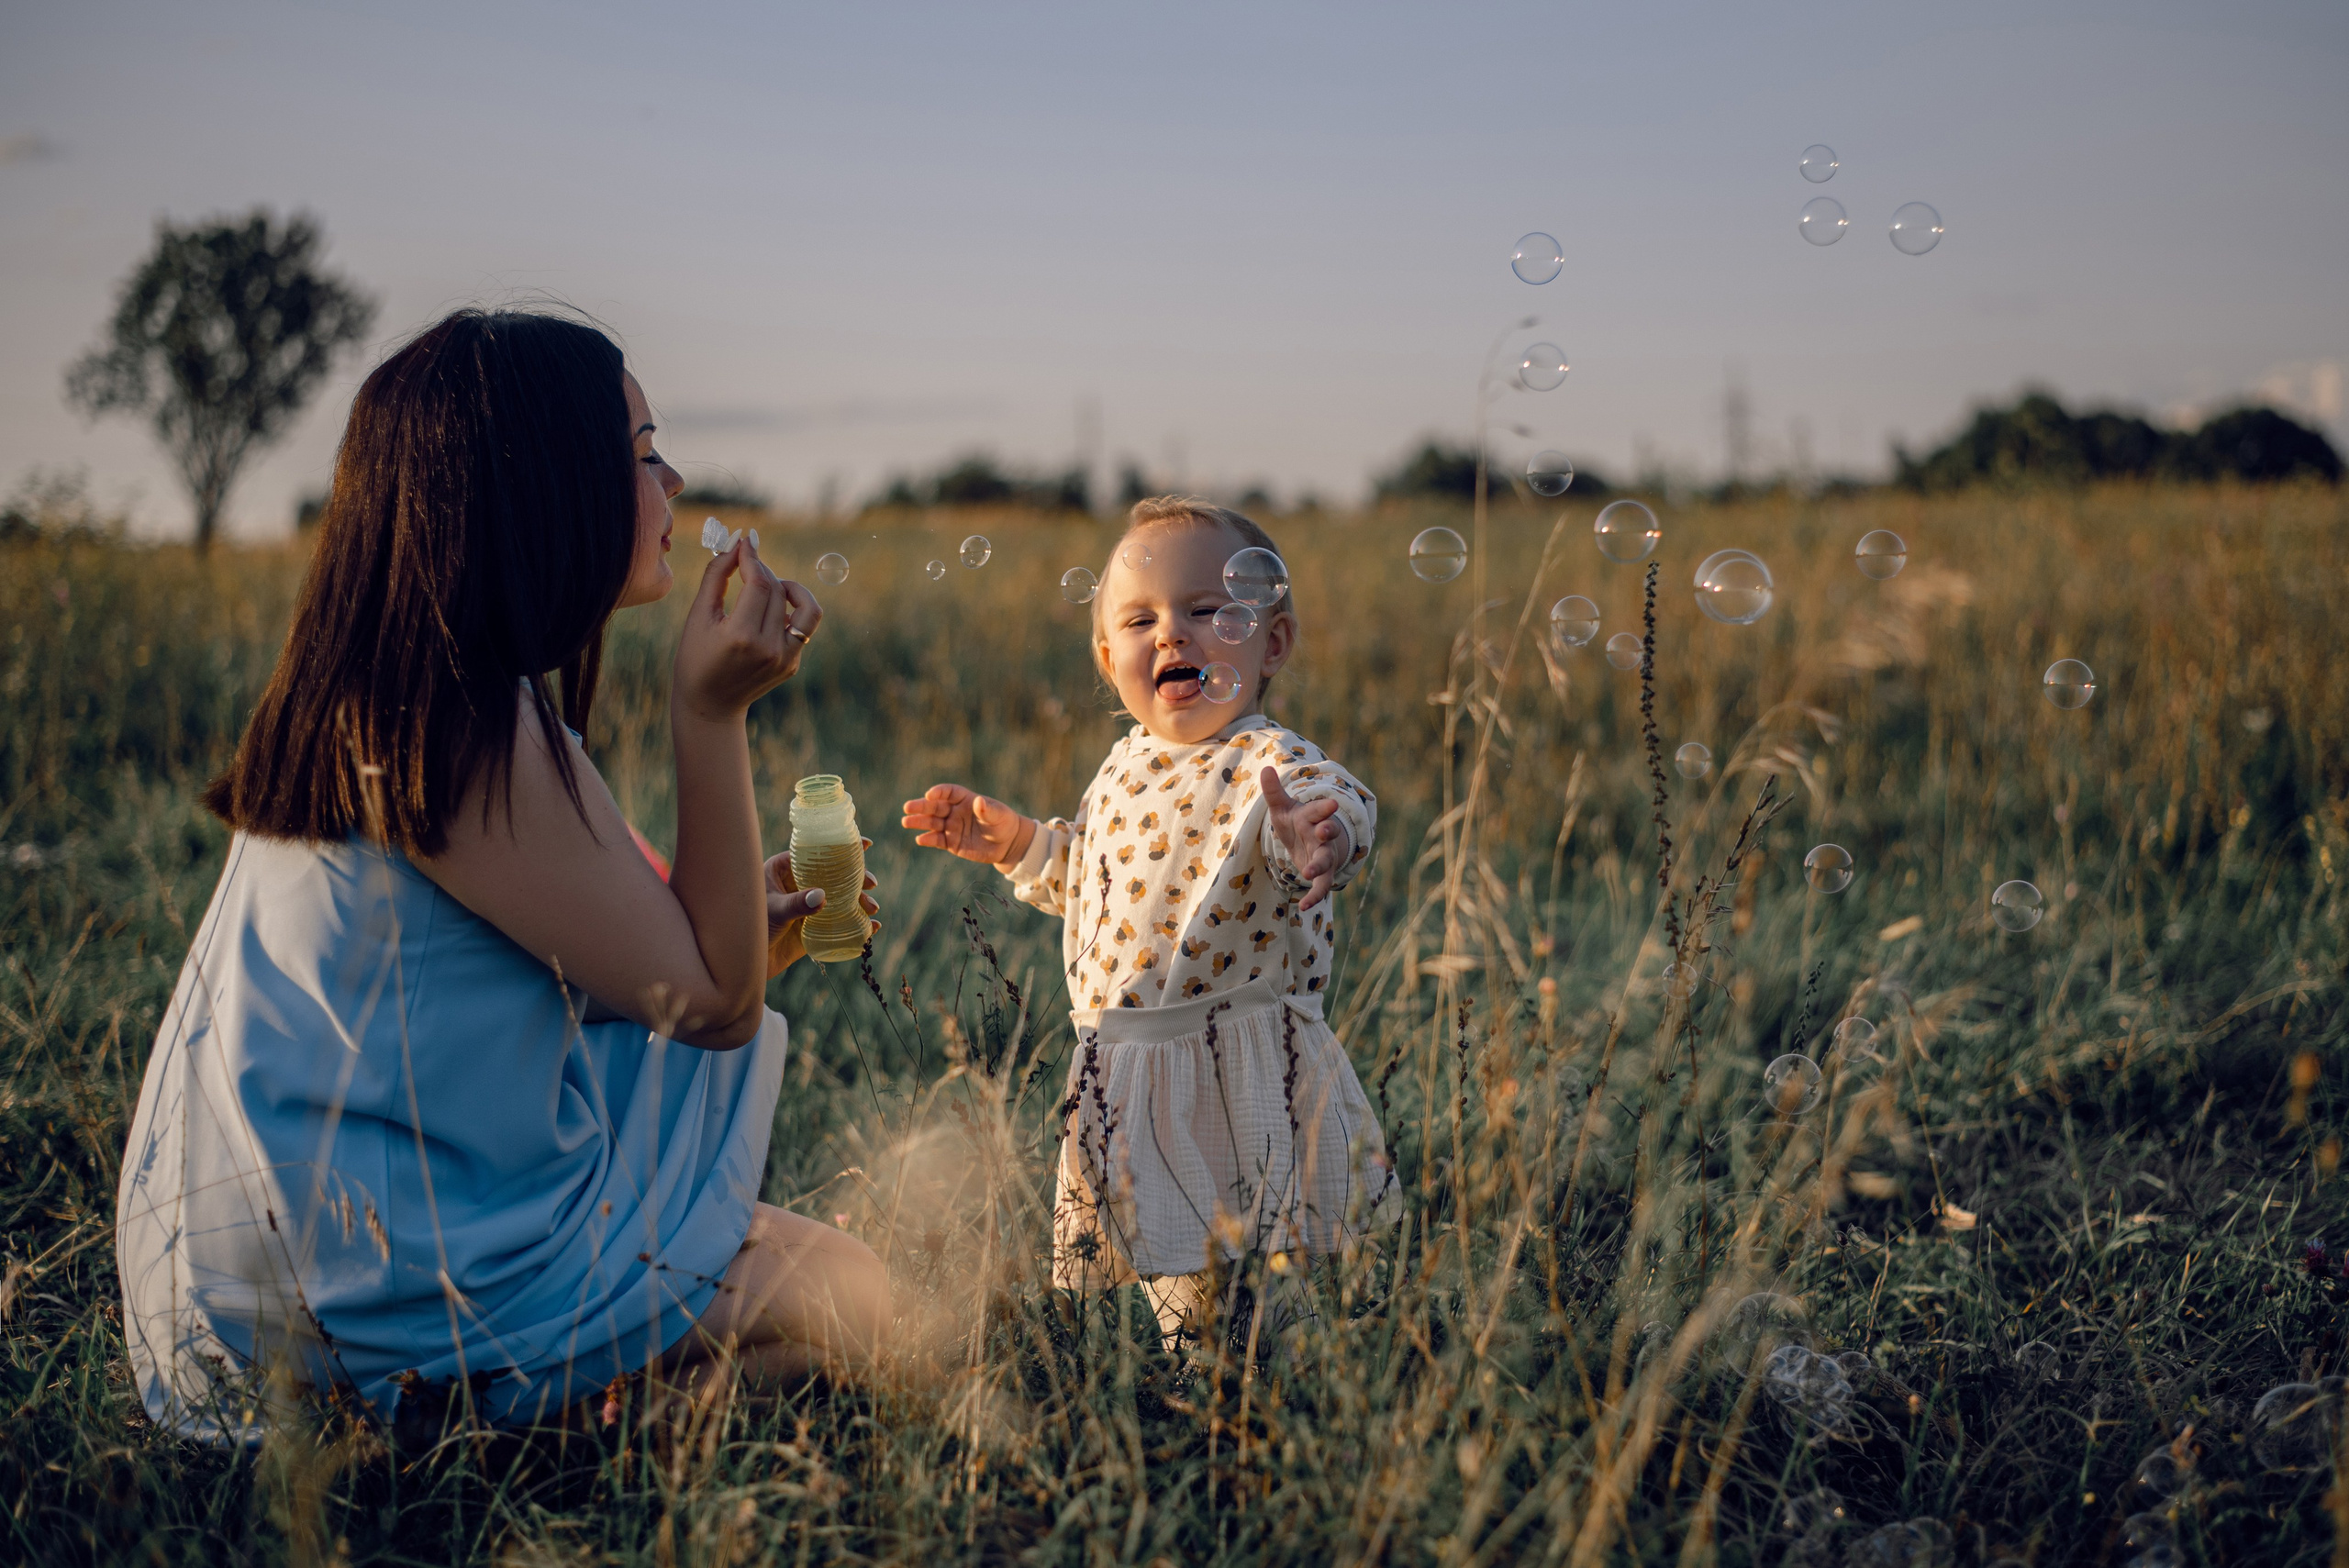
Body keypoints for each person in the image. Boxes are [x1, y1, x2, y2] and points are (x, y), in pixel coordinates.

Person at [116, 308, 887, 1440]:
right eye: (641, 452)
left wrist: (737, 932)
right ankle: (483, 1420)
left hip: (310, 1267)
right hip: (391, 1288)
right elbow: (711, 1006)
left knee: (834, 1304)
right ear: (541, 487)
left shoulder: (396, 698)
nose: (673, 480)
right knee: (864, 1300)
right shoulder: (463, 727)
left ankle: (528, 1420)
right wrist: (709, 708)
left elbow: (586, 981)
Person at [902, 496, 1397, 1349]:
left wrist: (1320, 834)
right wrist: (1017, 843)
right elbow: (1094, 880)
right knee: (1176, 1262)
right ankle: (1201, 1378)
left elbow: (1336, 802)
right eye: (1141, 620)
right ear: (1108, 658)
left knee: (1271, 1247)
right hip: (1135, 1057)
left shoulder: (1269, 759)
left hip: (1238, 1046)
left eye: (1206, 610)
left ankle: (1291, 1367)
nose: (1172, 634)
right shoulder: (1122, 765)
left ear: (1272, 641)